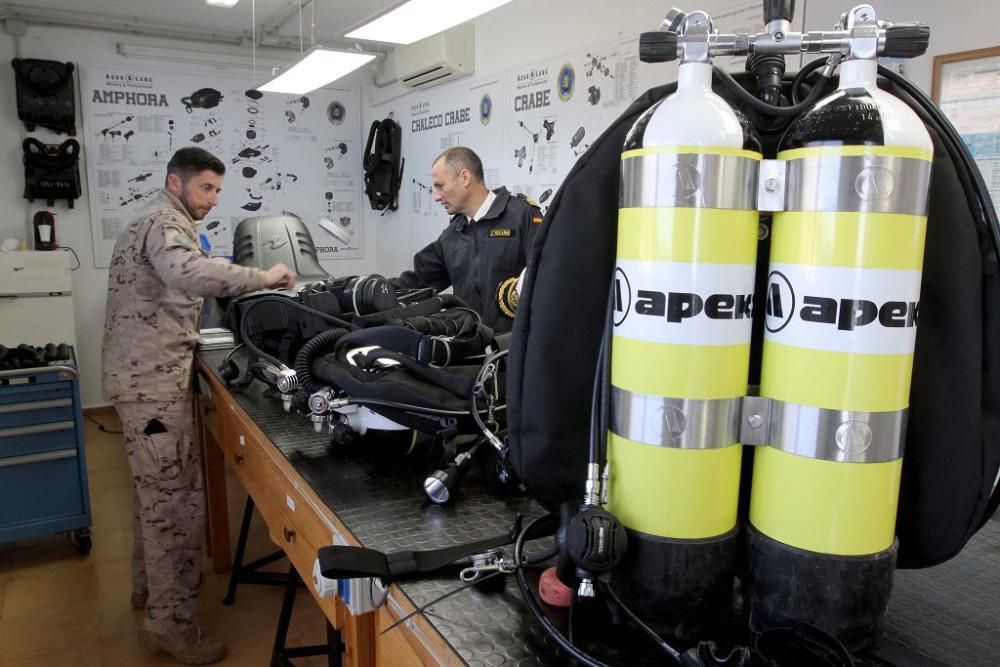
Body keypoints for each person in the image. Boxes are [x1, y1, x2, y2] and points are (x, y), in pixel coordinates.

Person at [102, 147, 295, 664]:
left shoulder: (150, 216)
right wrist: (262, 277)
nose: (212, 200)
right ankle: (171, 626)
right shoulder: (167, 221)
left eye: (217, 191)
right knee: (174, 506)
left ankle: (148, 594)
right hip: (152, 385)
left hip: (141, 379)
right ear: (177, 183)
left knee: (152, 495)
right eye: (205, 188)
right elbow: (189, 274)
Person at [391, 146, 543, 333]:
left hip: (512, 349)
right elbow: (418, 282)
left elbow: (545, 277)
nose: (436, 196)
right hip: (471, 346)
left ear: (464, 178)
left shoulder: (522, 216)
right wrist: (369, 292)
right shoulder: (453, 233)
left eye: (440, 186)